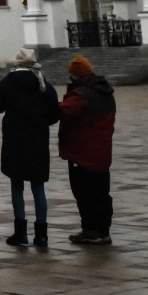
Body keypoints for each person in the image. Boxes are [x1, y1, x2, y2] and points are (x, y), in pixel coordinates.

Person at [0, 48, 60, 247]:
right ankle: (42, 233)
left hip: (14, 139)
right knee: (38, 186)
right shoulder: (42, 82)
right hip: (38, 139)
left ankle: (20, 231)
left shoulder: (9, 81)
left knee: (17, 185)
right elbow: (55, 113)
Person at [58, 54, 117, 246]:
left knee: (84, 193)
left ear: (76, 75)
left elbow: (62, 110)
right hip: (101, 151)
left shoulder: (82, 95)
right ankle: (103, 230)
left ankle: (91, 230)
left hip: (81, 152)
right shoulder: (105, 92)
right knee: (101, 193)